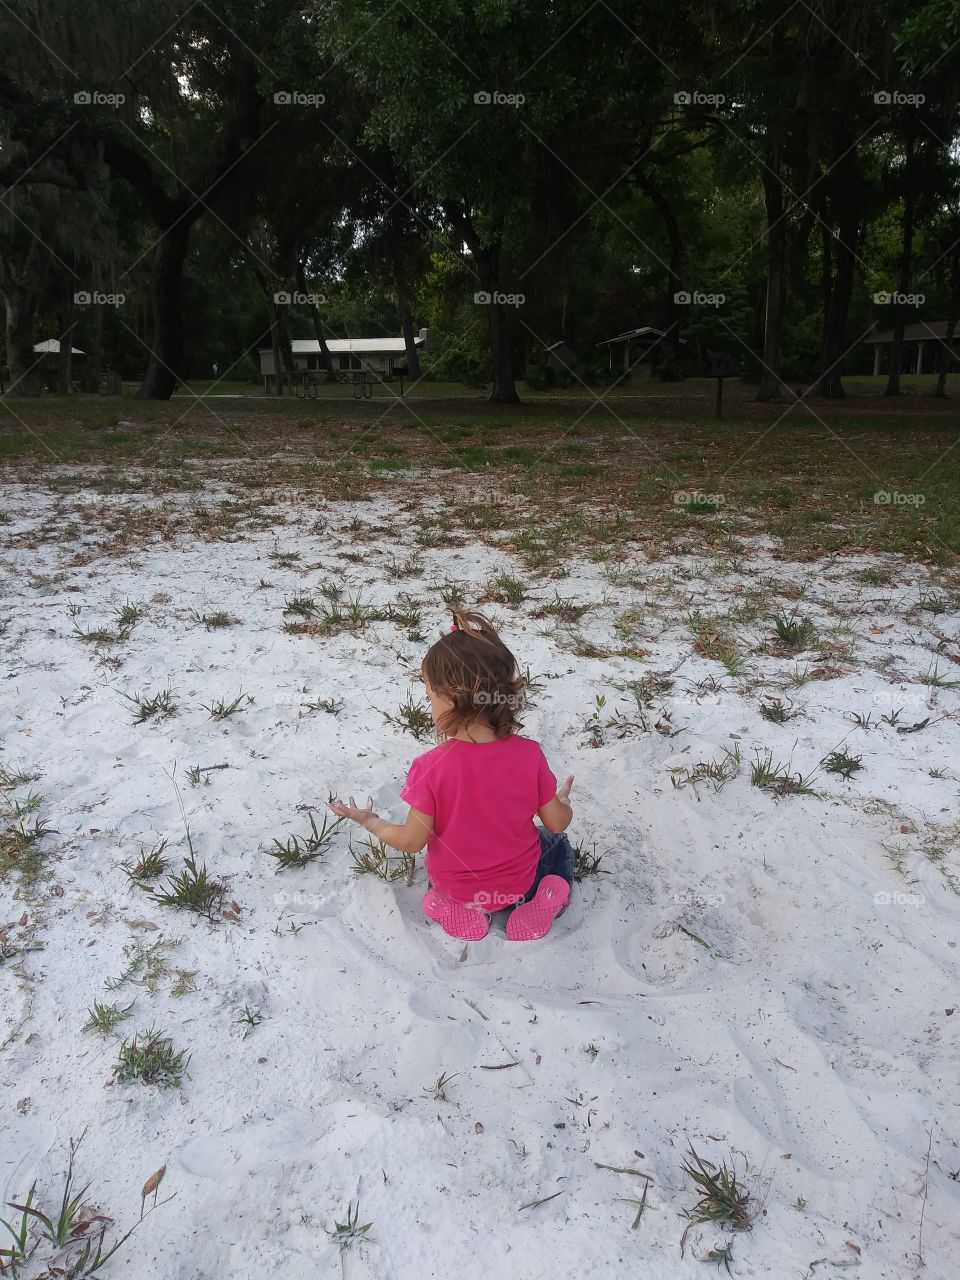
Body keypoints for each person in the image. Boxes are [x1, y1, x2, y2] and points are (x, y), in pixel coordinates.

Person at [330, 610, 575, 941]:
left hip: (456, 885)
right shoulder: (529, 755)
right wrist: (562, 801)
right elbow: (557, 822)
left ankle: (449, 905)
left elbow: (412, 841)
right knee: (557, 843)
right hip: (517, 884)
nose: (429, 704)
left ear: (452, 701)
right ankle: (537, 905)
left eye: (431, 696)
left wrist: (371, 821)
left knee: (442, 869)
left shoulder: (429, 767)